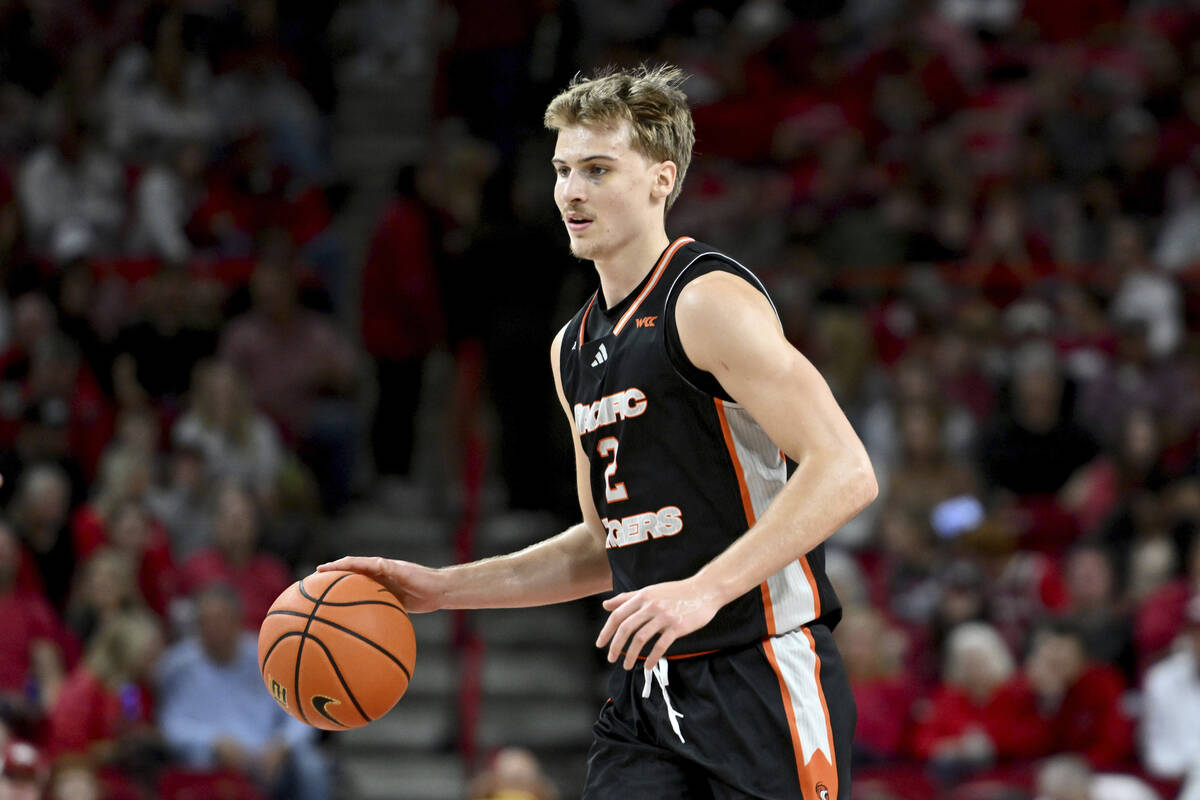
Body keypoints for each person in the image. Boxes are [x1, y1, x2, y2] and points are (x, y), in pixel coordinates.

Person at [322, 65, 877, 798]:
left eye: (597, 169)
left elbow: (845, 469)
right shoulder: (571, 348)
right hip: (646, 691)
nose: (571, 191)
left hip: (759, 670)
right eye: (561, 170)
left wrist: (703, 591)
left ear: (659, 179)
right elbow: (602, 546)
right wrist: (441, 588)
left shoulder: (707, 300)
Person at [156, 584, 330, 800]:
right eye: (205, 621)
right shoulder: (178, 664)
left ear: (237, 621)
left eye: (220, 619)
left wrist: (282, 744)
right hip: (214, 758)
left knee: (311, 765)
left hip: (268, 757)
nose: (212, 627)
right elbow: (171, 724)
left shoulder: (268, 654)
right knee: (196, 759)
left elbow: (303, 711)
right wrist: (212, 742)